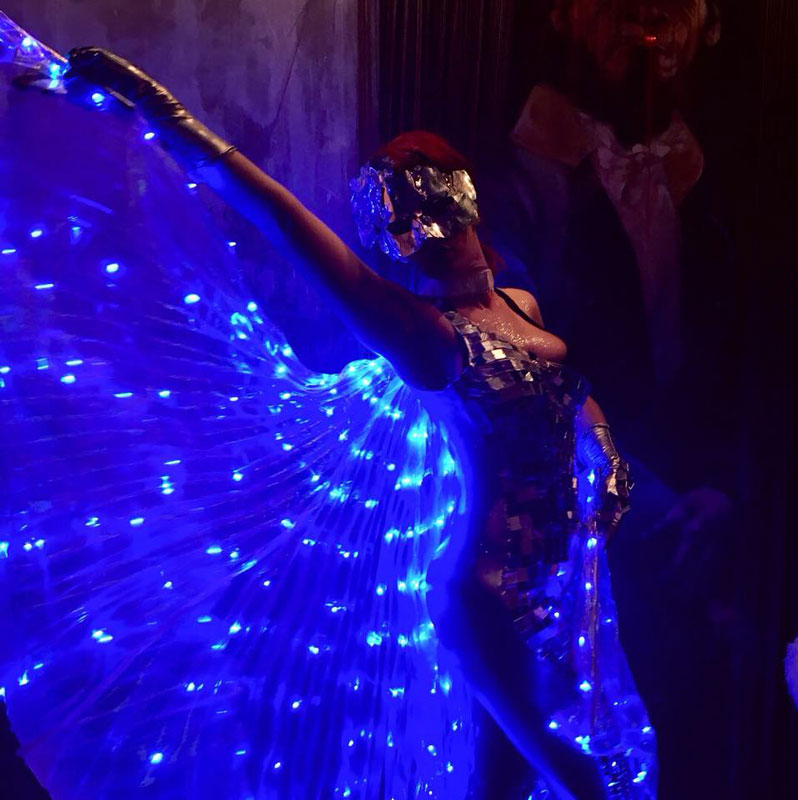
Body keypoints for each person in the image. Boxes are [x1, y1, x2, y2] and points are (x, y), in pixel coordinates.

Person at [62, 49, 656, 799]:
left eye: (432, 207)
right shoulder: (428, 336)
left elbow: (567, 395)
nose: (426, 231)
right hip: (486, 596)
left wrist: (602, 447)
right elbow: (286, 223)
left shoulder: (519, 308)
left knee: (503, 789)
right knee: (585, 780)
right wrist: (166, 114)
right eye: (404, 222)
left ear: (465, 201)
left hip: (556, 586)